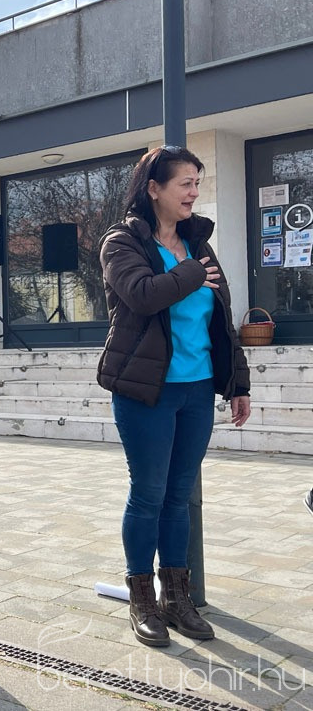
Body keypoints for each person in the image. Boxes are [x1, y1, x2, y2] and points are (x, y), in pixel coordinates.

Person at [97, 144, 251, 648]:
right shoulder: (122, 242)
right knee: (149, 493)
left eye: (197, 183)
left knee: (179, 495)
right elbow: (143, 295)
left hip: (197, 388)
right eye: (185, 183)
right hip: (146, 391)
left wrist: (238, 385)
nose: (193, 193)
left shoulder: (197, 243)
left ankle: (176, 598)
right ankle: (142, 599)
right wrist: (190, 273)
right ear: (154, 188)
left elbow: (220, 319)